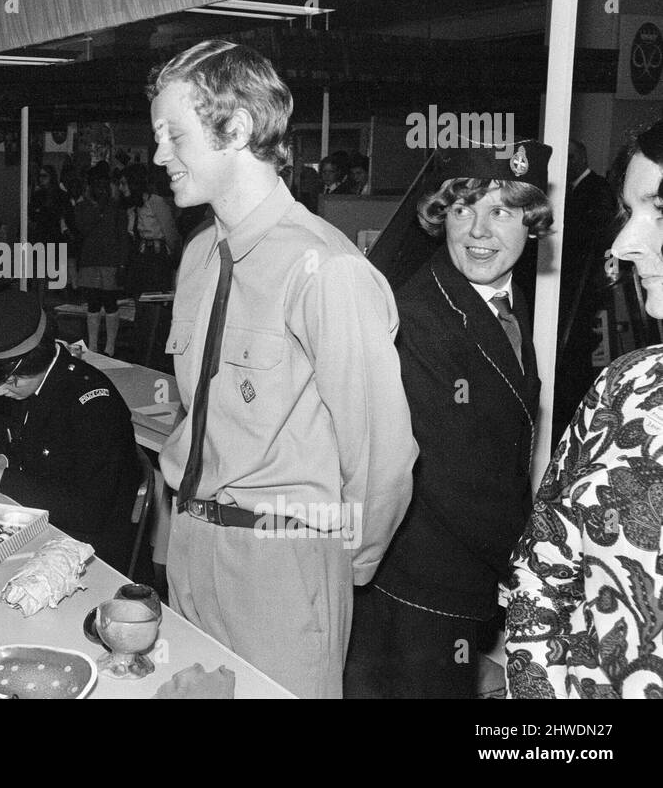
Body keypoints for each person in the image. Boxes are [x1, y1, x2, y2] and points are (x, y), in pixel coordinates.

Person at [149, 40, 416, 699]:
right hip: (190, 552)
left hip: (282, 566)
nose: (158, 155)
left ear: (234, 128)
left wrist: (332, 563)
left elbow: (383, 456)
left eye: (173, 134)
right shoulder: (199, 258)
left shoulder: (328, 271)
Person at [343, 142, 553, 699]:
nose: (478, 231)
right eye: (463, 210)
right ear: (442, 218)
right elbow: (456, 477)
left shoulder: (499, 297)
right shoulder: (421, 317)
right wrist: (537, 564)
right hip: (424, 582)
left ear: (530, 223)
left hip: (466, 578)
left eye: (500, 212)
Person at [504, 122, 663, 699]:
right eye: (631, 212)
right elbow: (541, 574)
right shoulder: (625, 385)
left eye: (661, 210)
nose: (622, 246)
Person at [0, 289, 142, 570]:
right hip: (40, 529)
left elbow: (90, 511)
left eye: (11, 381)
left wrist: (2, 479)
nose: (2, 390)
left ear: (34, 361)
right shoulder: (33, 386)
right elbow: (43, 461)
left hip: (86, 552)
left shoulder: (93, 405)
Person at [553, 138, 618, 432]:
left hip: (588, 293)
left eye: (567, 159)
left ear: (579, 159)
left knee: (582, 357)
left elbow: (594, 241)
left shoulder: (597, 191)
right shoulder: (572, 191)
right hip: (570, 289)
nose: (563, 166)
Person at [75, 162, 129, 356]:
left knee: (110, 301)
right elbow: (82, 229)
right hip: (90, 261)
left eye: (104, 185)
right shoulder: (83, 207)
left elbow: (123, 237)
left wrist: (122, 264)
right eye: (97, 185)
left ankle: (110, 346)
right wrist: (97, 209)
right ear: (91, 187)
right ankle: (93, 345)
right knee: (93, 303)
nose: (101, 189)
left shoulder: (117, 208)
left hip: (111, 262)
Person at [123, 161, 180, 295]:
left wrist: (174, 257)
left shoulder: (155, 202)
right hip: (140, 257)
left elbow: (170, 232)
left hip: (156, 257)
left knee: (155, 297)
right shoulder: (132, 206)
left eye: (124, 183)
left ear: (134, 184)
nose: (120, 188)